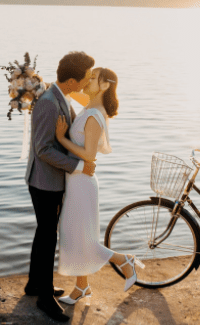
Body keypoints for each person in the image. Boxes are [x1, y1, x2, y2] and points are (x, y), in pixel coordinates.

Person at [55, 67, 143, 306]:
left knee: (84, 239)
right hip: (75, 181)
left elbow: (90, 156)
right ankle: (81, 287)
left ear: (105, 85)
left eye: (93, 78)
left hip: (82, 183)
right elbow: (72, 93)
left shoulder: (94, 115)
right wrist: (40, 82)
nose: (87, 80)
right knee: (75, 235)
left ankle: (125, 261)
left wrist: (62, 139)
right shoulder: (91, 105)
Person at [25, 51, 95, 322]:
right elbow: (42, 149)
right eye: (86, 77)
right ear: (72, 79)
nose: (88, 80)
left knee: (44, 234)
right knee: (47, 236)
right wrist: (77, 166)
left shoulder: (60, 96)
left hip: (49, 180)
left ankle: (35, 284)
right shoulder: (49, 103)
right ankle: (44, 297)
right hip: (45, 182)